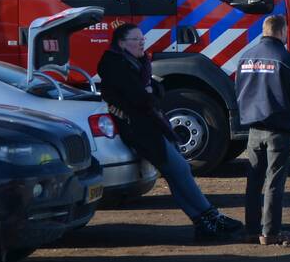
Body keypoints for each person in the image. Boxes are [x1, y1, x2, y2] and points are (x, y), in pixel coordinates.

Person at [97, 24, 242, 240]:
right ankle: (209, 217)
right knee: (180, 169)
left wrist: (150, 92)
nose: (141, 42)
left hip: (152, 124)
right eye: (136, 39)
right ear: (121, 43)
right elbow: (142, 99)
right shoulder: (115, 65)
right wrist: (149, 92)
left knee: (178, 173)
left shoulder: (137, 63)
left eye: (142, 39)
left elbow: (157, 91)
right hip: (140, 128)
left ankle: (205, 220)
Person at [235, 14, 290, 246]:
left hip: (253, 130)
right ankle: (270, 232)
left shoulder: (245, 58)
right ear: (282, 32)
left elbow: (238, 91)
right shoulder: (286, 59)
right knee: (274, 182)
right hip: (279, 130)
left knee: (253, 181)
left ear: (264, 30)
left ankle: (251, 229)